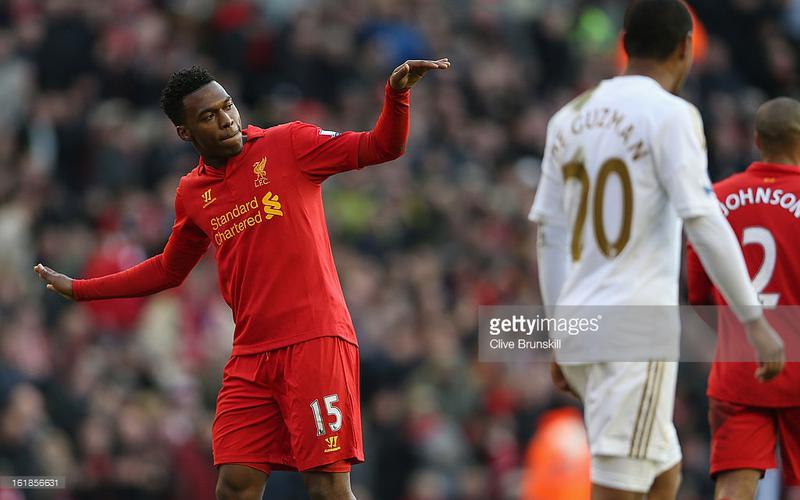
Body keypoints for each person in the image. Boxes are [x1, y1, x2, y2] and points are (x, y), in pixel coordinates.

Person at [33, 58, 450, 500]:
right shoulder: (192, 193)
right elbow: (168, 269)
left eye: (227, 106)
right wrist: (80, 289)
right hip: (251, 356)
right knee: (234, 486)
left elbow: (381, 147)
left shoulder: (290, 143)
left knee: (327, 487)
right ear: (185, 132)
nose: (227, 120)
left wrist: (396, 95)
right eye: (208, 116)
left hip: (315, 340)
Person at [529, 1, 784, 499]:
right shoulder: (672, 115)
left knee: (663, 467)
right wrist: (754, 319)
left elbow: (549, 234)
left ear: (624, 44)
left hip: (583, 325)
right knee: (619, 487)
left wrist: (559, 331)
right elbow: (704, 219)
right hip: (634, 333)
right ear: (686, 48)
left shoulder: (568, 118)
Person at [687, 97, 800, 500]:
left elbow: (698, 294)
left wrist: (739, 332)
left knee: (735, 486)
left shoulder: (714, 200)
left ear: (756, 140)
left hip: (740, 368)